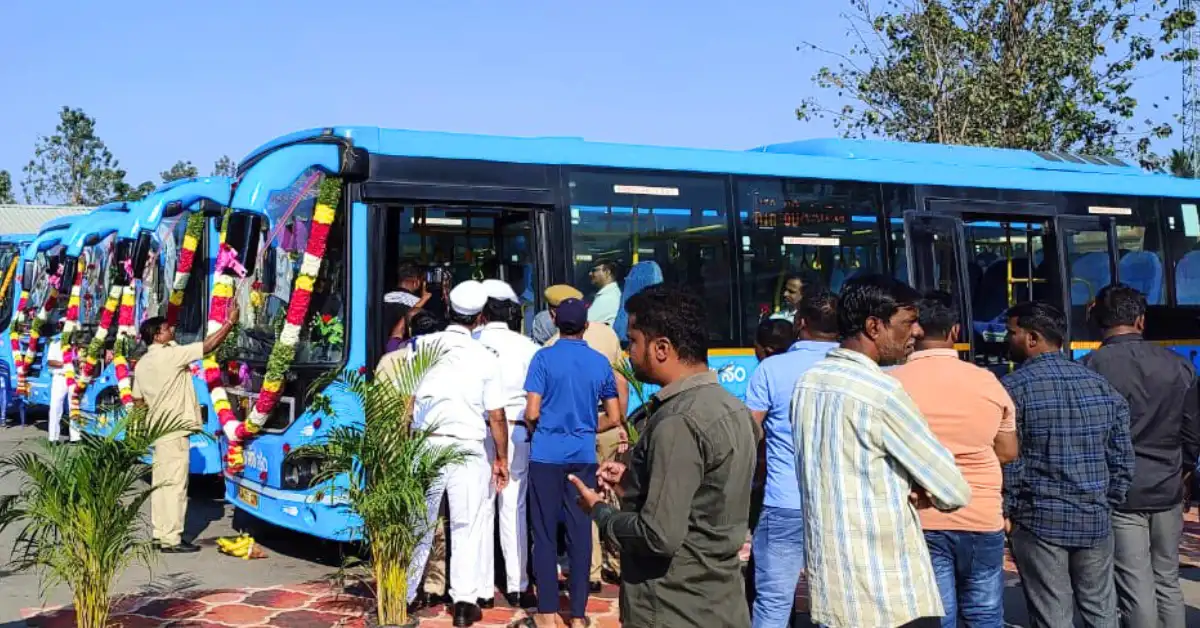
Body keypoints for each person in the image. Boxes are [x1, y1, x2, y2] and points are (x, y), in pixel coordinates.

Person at [571, 285, 759, 628]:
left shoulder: (678, 420)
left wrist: (599, 511)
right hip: (720, 602)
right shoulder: (732, 407)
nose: (629, 353)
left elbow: (658, 535)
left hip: (673, 606)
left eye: (633, 342)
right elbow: (705, 498)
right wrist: (635, 483)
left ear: (661, 348)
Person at [790, 274, 970, 628]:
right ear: (874, 326)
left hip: (833, 592)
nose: (917, 331)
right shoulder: (882, 393)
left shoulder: (809, 383)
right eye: (908, 322)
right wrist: (917, 489)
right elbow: (953, 489)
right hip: (889, 595)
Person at [1001, 301, 1134, 628]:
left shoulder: (1012, 389)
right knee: (1101, 610)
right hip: (1094, 517)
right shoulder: (1101, 386)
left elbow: (1010, 461)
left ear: (1032, 338)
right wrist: (1108, 501)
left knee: (1052, 614)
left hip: (1039, 519)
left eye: (1012, 332)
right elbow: (1122, 458)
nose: (1007, 339)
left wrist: (1008, 508)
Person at [891, 291, 1018, 628]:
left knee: (937, 615)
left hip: (920, 517)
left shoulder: (892, 383)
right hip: (981, 514)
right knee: (985, 614)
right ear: (956, 331)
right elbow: (1008, 451)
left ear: (914, 330)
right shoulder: (987, 382)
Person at [1079, 284, 1197, 628]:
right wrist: (1184, 472)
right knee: (1167, 579)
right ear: (1141, 321)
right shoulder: (1179, 366)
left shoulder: (1089, 368)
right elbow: (1192, 433)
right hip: (1169, 486)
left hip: (1120, 491)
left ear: (1098, 322)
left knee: (1135, 583)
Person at [405, 280, 510, 627]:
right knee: (467, 525)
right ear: (480, 318)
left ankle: (406, 593)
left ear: (448, 308)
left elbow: (408, 402)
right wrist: (501, 458)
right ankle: (463, 603)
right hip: (467, 447)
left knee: (420, 523)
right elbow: (496, 416)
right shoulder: (486, 357)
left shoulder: (421, 346)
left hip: (427, 442)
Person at [522, 297, 623, 628]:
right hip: (582, 456)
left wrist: (544, 428)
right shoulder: (599, 363)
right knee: (580, 534)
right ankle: (578, 615)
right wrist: (586, 426)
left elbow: (532, 411)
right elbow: (614, 415)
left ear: (555, 322)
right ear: (586, 326)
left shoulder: (543, 358)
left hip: (546, 455)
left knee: (544, 534)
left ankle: (547, 613)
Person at [745, 288, 839, 628]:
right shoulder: (856, 367)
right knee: (837, 602)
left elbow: (748, 433)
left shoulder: (772, 369)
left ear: (800, 322)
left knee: (773, 601)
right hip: (841, 505)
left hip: (784, 500)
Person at [133, 301, 239, 553]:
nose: (172, 330)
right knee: (175, 486)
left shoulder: (142, 363)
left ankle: (160, 534)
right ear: (157, 336)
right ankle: (171, 539)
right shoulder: (171, 355)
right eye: (167, 329)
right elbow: (209, 345)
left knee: (161, 485)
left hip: (158, 431)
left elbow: (138, 401)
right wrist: (230, 322)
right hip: (175, 431)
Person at [545, 297, 629, 588]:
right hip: (607, 423)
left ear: (554, 315)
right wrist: (620, 423)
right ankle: (617, 563)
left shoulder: (550, 348)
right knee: (614, 492)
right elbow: (621, 382)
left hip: (577, 433)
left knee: (584, 497)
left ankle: (591, 572)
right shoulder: (607, 334)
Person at [477, 279, 540, 609]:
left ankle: (482, 588)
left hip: (479, 431)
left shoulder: (473, 342)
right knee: (514, 507)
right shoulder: (528, 346)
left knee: (481, 508)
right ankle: (517, 585)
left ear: (483, 314)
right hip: (516, 430)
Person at [45, 327, 79, 444]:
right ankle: (53, 438)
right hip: (60, 377)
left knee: (74, 406)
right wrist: (66, 363)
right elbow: (50, 361)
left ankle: (75, 437)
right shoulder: (55, 343)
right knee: (55, 407)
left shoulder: (75, 345)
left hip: (74, 378)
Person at [587, 260, 621, 325]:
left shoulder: (607, 298)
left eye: (594, 270)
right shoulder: (612, 293)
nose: (590, 273)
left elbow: (584, 323)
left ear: (607, 272)